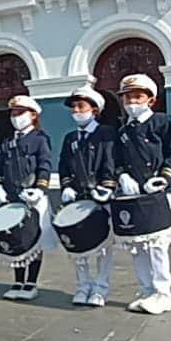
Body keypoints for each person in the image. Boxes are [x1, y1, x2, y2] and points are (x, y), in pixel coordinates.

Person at [114, 74, 171, 315]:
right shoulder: (123, 131)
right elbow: (119, 160)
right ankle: (146, 290)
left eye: (137, 96)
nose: (132, 101)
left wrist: (163, 178)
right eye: (128, 97)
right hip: (133, 193)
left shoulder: (162, 121)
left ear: (150, 100)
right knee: (138, 244)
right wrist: (122, 175)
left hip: (157, 190)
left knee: (156, 245)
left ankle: (163, 293)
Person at [0, 95, 56, 301]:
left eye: (20, 113)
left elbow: (44, 165)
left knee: (33, 239)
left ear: (33, 115)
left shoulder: (40, 138)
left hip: (32, 195)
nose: (15, 117)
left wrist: (40, 188)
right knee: (16, 239)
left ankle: (31, 282)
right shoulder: (8, 141)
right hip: (12, 196)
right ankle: (18, 280)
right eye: (13, 113)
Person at [58, 86, 117, 307]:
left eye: (81, 106)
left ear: (94, 109)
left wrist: (107, 186)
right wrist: (66, 186)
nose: (76, 110)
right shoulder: (70, 138)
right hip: (78, 197)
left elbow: (110, 161)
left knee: (103, 247)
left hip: (100, 196)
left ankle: (101, 288)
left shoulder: (106, 133)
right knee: (78, 246)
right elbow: (64, 165)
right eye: (74, 107)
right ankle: (82, 286)